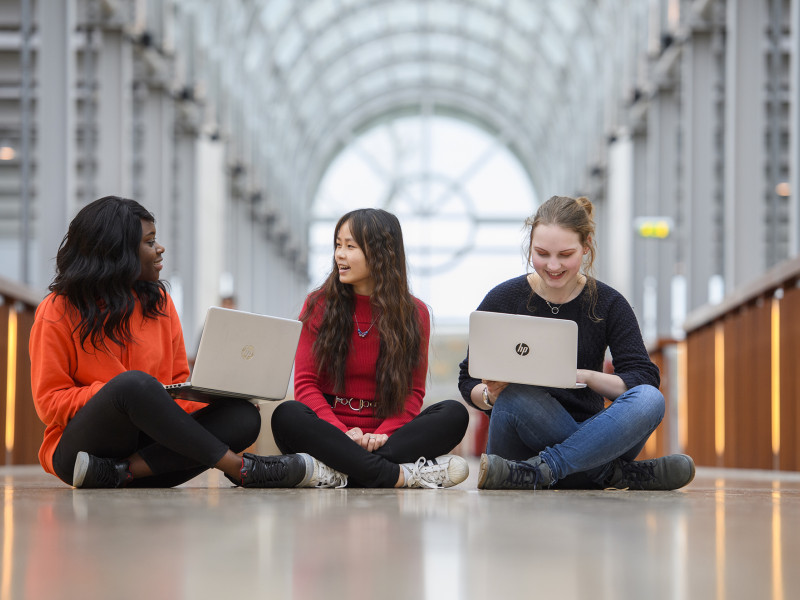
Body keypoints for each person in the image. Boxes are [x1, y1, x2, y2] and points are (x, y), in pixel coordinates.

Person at [29, 196, 328, 489]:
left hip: (146, 454)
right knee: (133, 385)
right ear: (117, 252)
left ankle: (122, 473)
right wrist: (122, 396)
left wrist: (216, 396)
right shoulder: (57, 310)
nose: (160, 249)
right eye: (149, 242)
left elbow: (176, 384)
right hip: (82, 456)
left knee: (243, 415)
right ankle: (243, 469)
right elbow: (49, 402)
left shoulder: (159, 304)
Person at [458, 195, 695, 491]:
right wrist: (491, 395)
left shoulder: (608, 303)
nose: (553, 266)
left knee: (650, 398)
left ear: (586, 246)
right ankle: (611, 473)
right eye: (542, 253)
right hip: (522, 435)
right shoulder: (503, 298)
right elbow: (468, 379)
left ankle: (543, 471)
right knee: (516, 396)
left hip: (576, 441)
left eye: (565, 254)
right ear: (529, 246)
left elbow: (642, 377)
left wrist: (584, 377)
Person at [270, 208, 470, 488]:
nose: (339, 254)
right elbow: (305, 385)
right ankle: (399, 475)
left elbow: (413, 392)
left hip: (387, 437)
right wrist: (342, 435)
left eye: (350, 246)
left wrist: (383, 435)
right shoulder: (318, 305)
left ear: (381, 252)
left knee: (454, 414)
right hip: (329, 432)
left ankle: (336, 472)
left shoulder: (415, 313)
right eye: (338, 245)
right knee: (287, 415)